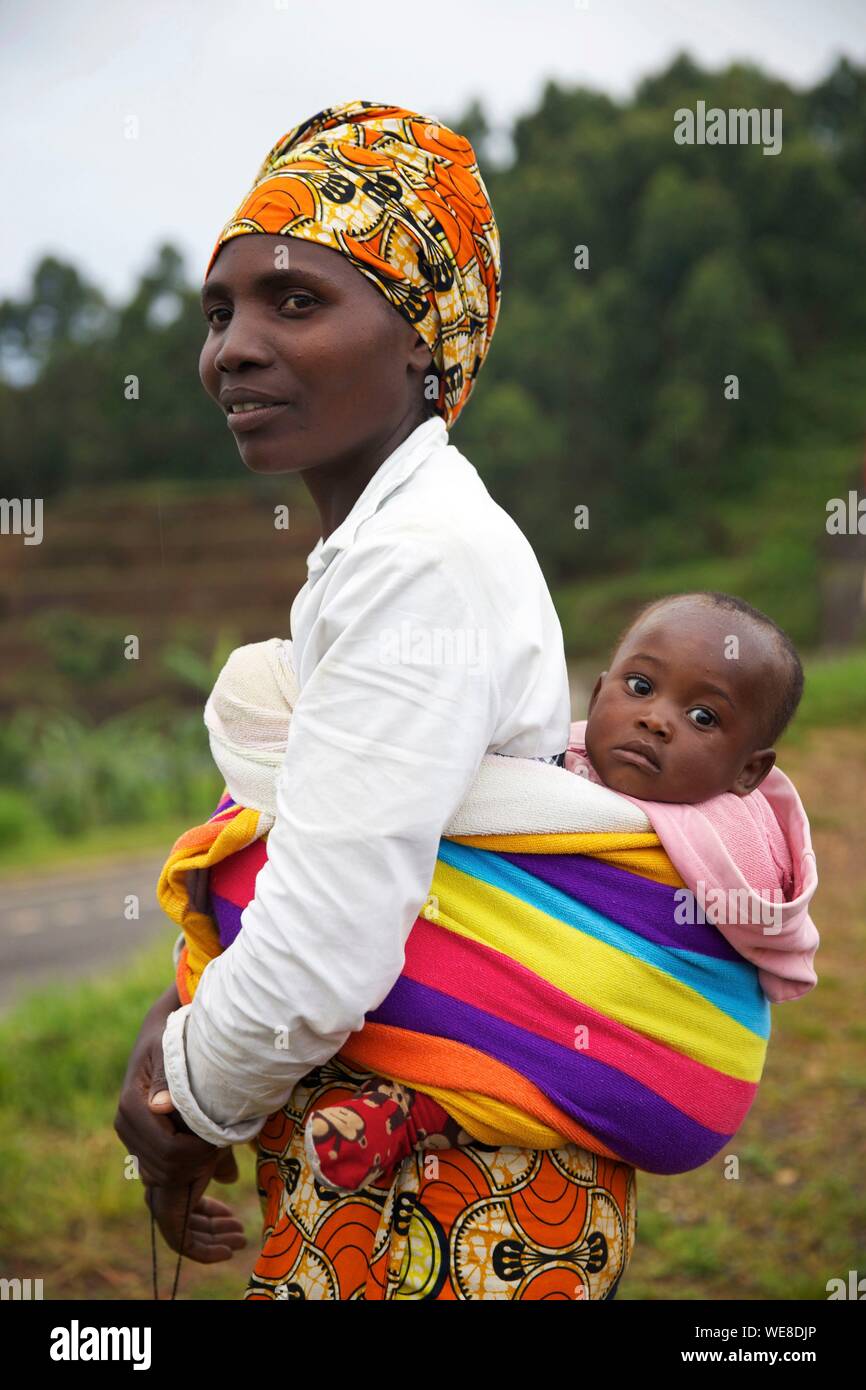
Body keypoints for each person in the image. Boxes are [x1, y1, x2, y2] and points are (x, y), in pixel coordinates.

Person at [114, 100, 637, 1299]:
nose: (230, 348)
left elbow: (320, 951)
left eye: (293, 301)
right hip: (411, 1181)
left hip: (436, 1208)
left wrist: (182, 1095)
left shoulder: (421, 561)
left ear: (422, 339)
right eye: (220, 311)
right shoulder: (394, 547)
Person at [153, 589, 818, 1198]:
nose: (656, 720)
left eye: (703, 716)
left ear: (749, 771)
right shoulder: (542, 766)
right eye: (640, 686)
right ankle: (418, 1108)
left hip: (633, 1076)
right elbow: (449, 815)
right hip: (485, 1062)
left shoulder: (737, 845)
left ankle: (425, 1113)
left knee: (525, 1082)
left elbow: (738, 947)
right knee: (481, 1058)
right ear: (596, 695)